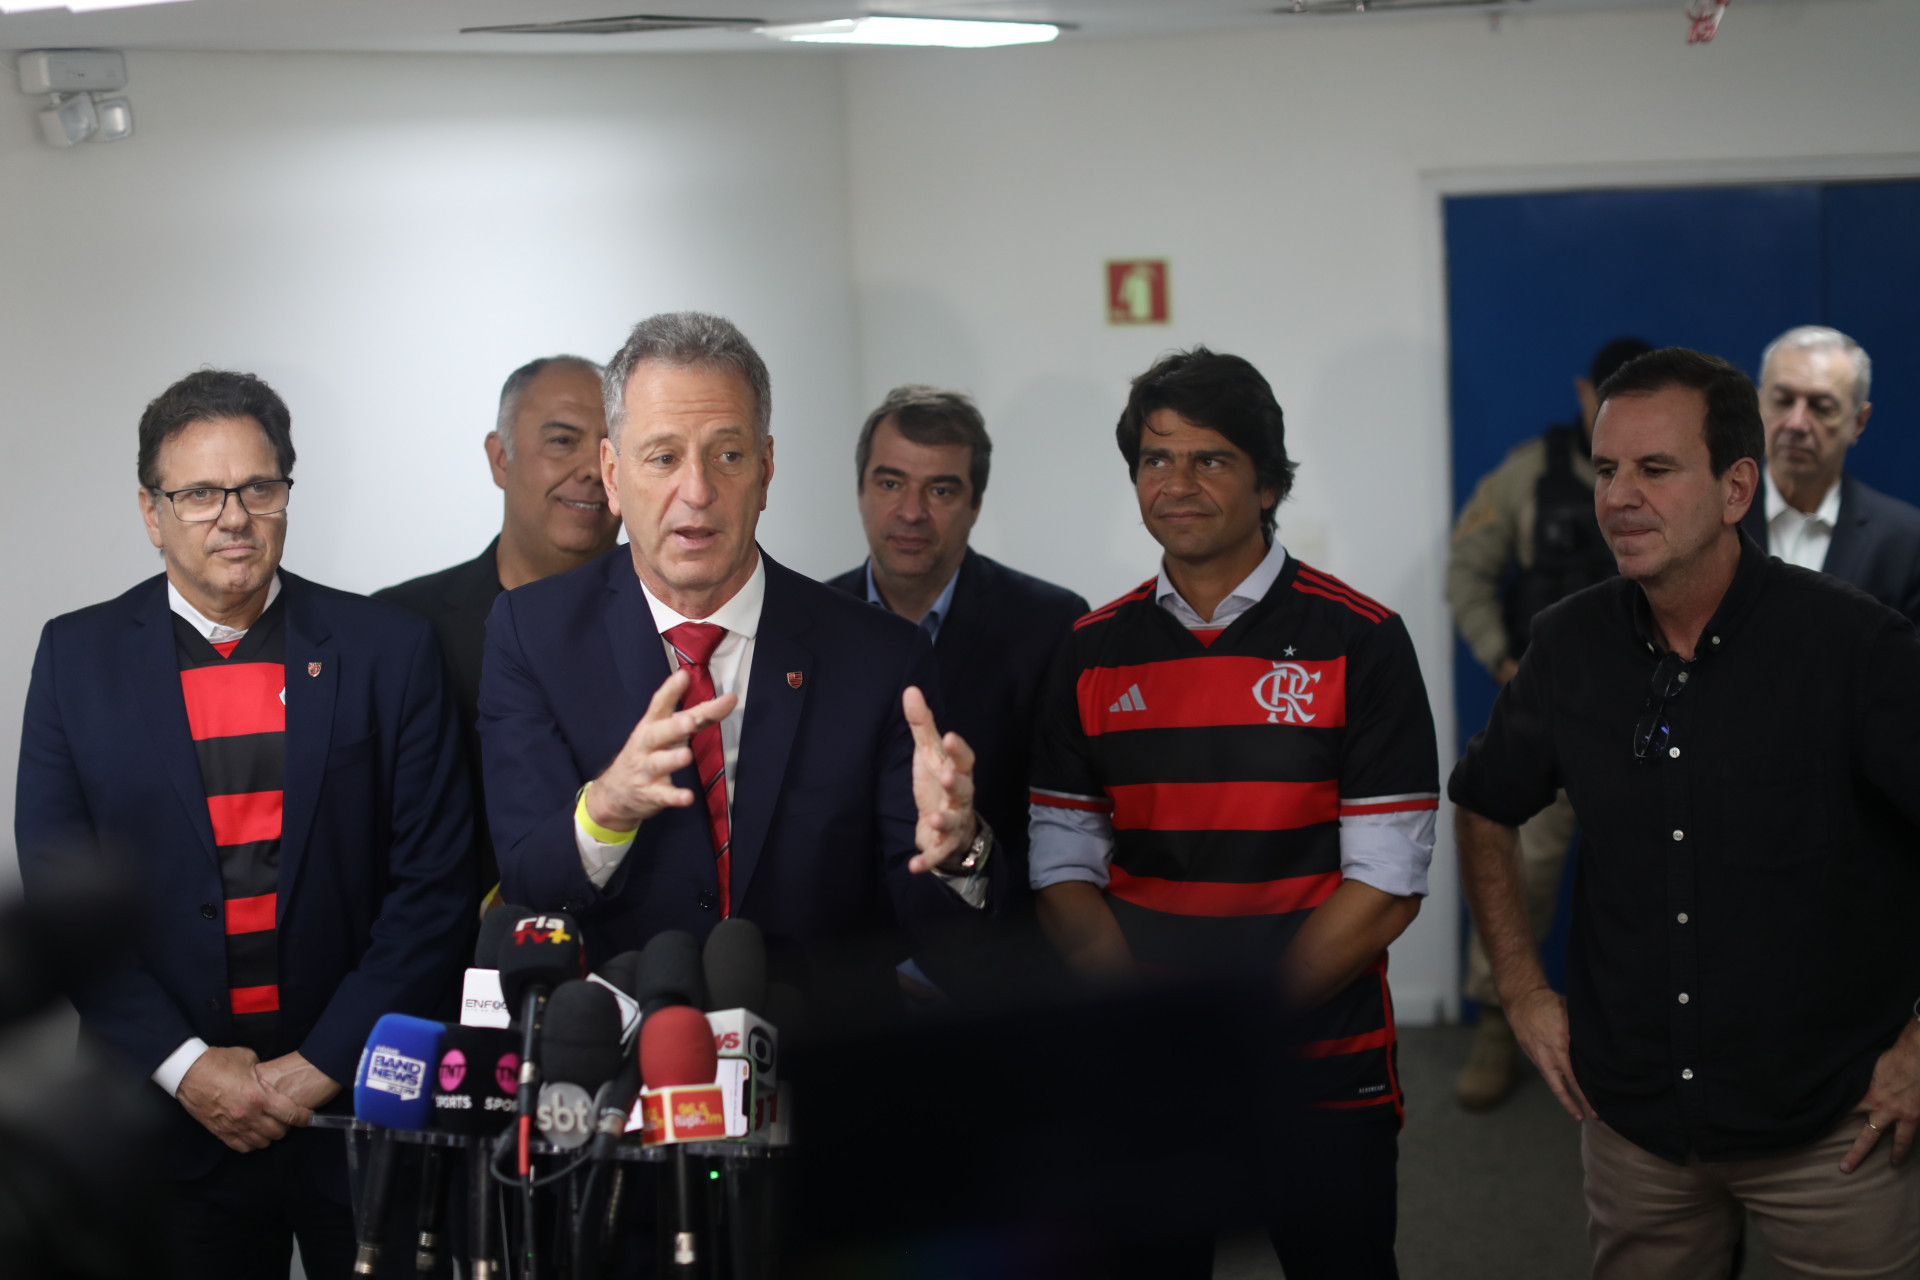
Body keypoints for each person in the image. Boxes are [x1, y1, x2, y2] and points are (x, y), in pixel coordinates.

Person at [1452, 347, 1920, 1279]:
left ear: (1737, 488)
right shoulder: (1568, 645)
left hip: (1833, 1130)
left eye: (1656, 469)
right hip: (1637, 1134)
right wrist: (1520, 987)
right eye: (1608, 469)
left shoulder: (1856, 647)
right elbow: (1483, 803)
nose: (1619, 496)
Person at [15, 369, 476, 1273]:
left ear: (286, 496)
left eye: (259, 487)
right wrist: (189, 1067)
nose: (234, 516)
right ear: (153, 513)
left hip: (353, 1110)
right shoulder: (77, 660)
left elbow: (434, 887)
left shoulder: (387, 652)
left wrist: (315, 1069)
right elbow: (62, 888)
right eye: (199, 494)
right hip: (163, 1126)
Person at [1027, 347, 1439, 1279]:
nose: (1177, 483)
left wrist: (1226, 1031)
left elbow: (1387, 880)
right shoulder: (1090, 650)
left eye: (1210, 458)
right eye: (1154, 458)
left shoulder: (1361, 640)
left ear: (1268, 482)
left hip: (1325, 1073)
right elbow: (1062, 865)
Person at [478, 313, 1001, 1008]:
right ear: (612, 474)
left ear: (766, 468)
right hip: (621, 1066)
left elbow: (947, 943)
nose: (696, 491)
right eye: (662, 457)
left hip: (823, 1061)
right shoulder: (532, 634)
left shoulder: (880, 657)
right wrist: (606, 808)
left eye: (726, 455)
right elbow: (529, 885)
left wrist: (960, 850)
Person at [1444, 335, 1651, 1110]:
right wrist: (1502, 655)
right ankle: (1499, 1027)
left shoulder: (1683, 471)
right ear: (1581, 391)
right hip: (1554, 720)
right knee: (1520, 873)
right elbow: (1467, 567)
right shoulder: (1532, 471)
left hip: (1657, 715)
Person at [823, 385, 1087, 956]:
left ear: (976, 504)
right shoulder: (806, 628)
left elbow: (1061, 834)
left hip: (996, 971)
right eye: (890, 483)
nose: (911, 512)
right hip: (846, 981)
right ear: (861, 489)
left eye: (941, 489)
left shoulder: (1051, 625)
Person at [375, 355, 619, 900]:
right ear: (500, 458)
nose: (590, 468)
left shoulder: (674, 627)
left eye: (610, 448)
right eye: (562, 441)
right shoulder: (401, 629)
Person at [1738, 324, 1920, 622]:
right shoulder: (1711, 520)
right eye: (1782, 401)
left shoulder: (1904, 543)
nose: (1796, 423)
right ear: (1758, 404)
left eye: (1821, 408)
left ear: (1858, 421)